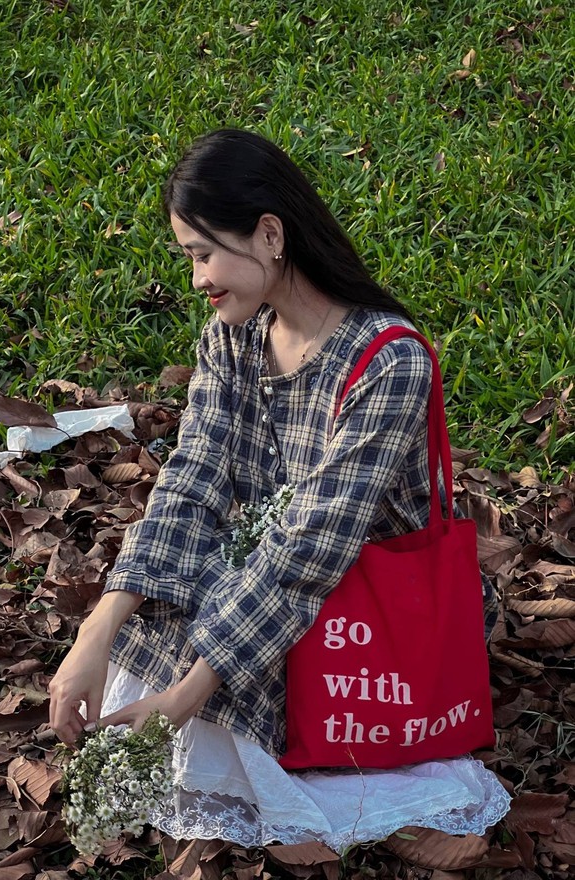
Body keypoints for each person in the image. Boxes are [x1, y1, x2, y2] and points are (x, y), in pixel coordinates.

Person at [49, 129, 508, 849]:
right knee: (166, 589)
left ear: (269, 234)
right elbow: (193, 484)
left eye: (203, 254)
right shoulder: (232, 337)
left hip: (364, 593)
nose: (197, 279)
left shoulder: (387, 362)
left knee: (234, 627)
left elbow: (310, 553)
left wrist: (185, 695)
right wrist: (98, 626)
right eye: (189, 259)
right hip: (266, 557)